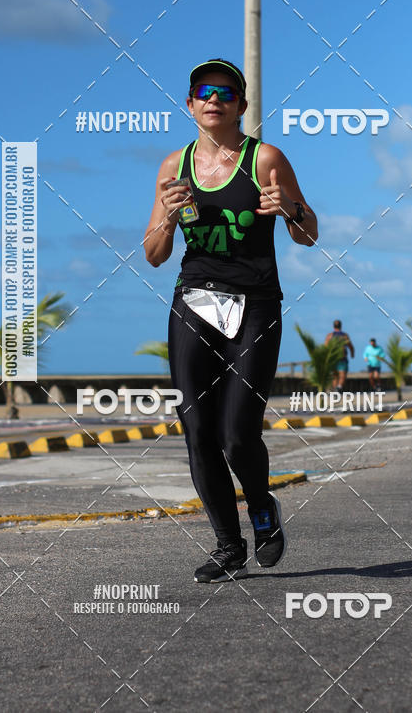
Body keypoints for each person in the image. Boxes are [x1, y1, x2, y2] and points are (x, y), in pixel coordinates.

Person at [143, 58, 317, 583]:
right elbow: (153, 253)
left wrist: (288, 206)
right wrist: (168, 219)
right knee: (198, 433)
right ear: (191, 104)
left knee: (238, 433)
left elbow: (308, 234)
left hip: (256, 305)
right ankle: (227, 544)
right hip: (194, 302)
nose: (214, 98)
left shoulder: (265, 158)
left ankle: (262, 507)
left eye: (226, 91)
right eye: (203, 90)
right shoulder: (174, 166)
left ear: (241, 105)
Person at [325, 319, 354, 390]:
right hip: (342, 357)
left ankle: (335, 389)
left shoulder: (330, 336)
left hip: (333, 358)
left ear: (333, 326)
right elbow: (350, 346)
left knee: (335, 375)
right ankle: (339, 387)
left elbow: (325, 347)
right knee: (342, 374)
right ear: (341, 326)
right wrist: (352, 354)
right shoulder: (344, 336)